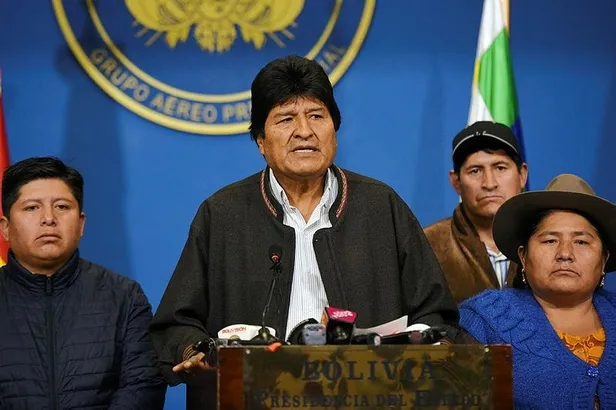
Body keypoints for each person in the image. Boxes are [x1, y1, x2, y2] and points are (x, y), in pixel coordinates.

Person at [149, 55, 459, 386]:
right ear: (260, 141)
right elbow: (176, 324)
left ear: (335, 129)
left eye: (316, 116)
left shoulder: (381, 206)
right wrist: (194, 352)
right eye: (286, 119)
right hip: (257, 394)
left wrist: (426, 346)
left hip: (366, 391)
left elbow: (435, 314)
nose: (304, 131)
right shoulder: (223, 214)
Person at [0, 157, 166, 409]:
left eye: (62, 207)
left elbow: (144, 384)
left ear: (81, 224)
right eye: (32, 208)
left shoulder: (124, 296)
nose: (48, 218)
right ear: (5, 228)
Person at [459, 173, 616, 409]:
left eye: (581, 242)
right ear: (523, 257)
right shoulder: (483, 321)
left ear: (603, 260)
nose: (565, 254)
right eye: (550, 240)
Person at [424, 121, 528, 303]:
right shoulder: (428, 245)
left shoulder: (546, 241)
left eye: (500, 168)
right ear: (456, 181)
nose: (489, 183)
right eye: (475, 171)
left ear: (522, 175)